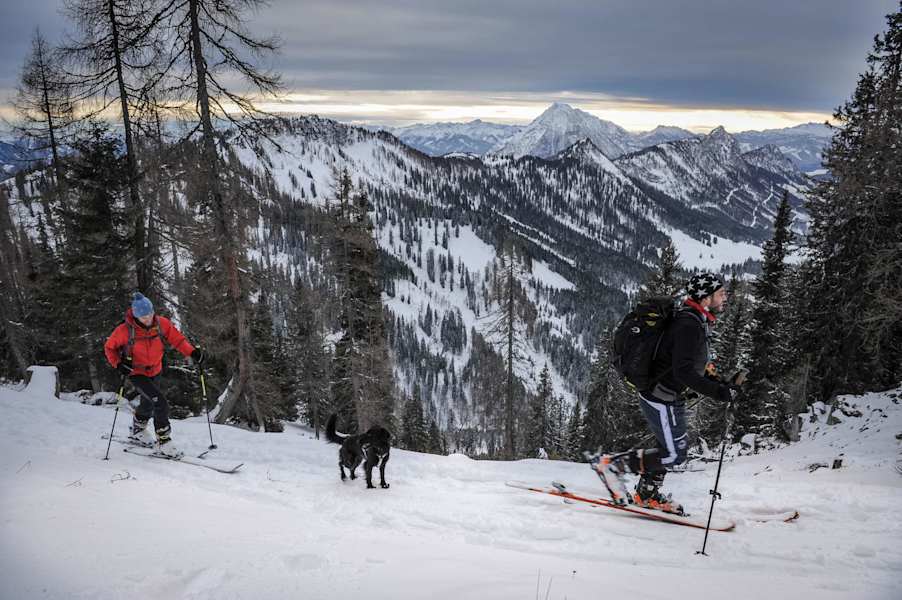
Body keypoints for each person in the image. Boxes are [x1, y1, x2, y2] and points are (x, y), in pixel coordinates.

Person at [593, 273, 739, 514]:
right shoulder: (689, 325)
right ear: (705, 298)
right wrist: (719, 392)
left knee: (667, 447)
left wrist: (721, 382)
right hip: (661, 397)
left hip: (667, 395)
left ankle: (647, 493)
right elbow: (684, 372)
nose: (725, 298)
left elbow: (692, 364)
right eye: (721, 293)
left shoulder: (695, 319)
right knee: (674, 454)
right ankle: (612, 467)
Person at [104, 292, 205, 457]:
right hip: (136, 372)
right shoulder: (124, 330)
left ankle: (137, 430)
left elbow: (177, 340)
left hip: (156, 369)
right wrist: (118, 364)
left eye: (150, 314)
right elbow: (109, 348)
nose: (147, 319)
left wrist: (192, 352)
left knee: (149, 403)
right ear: (136, 316)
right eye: (143, 316)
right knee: (161, 403)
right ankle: (163, 441)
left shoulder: (160, 323)